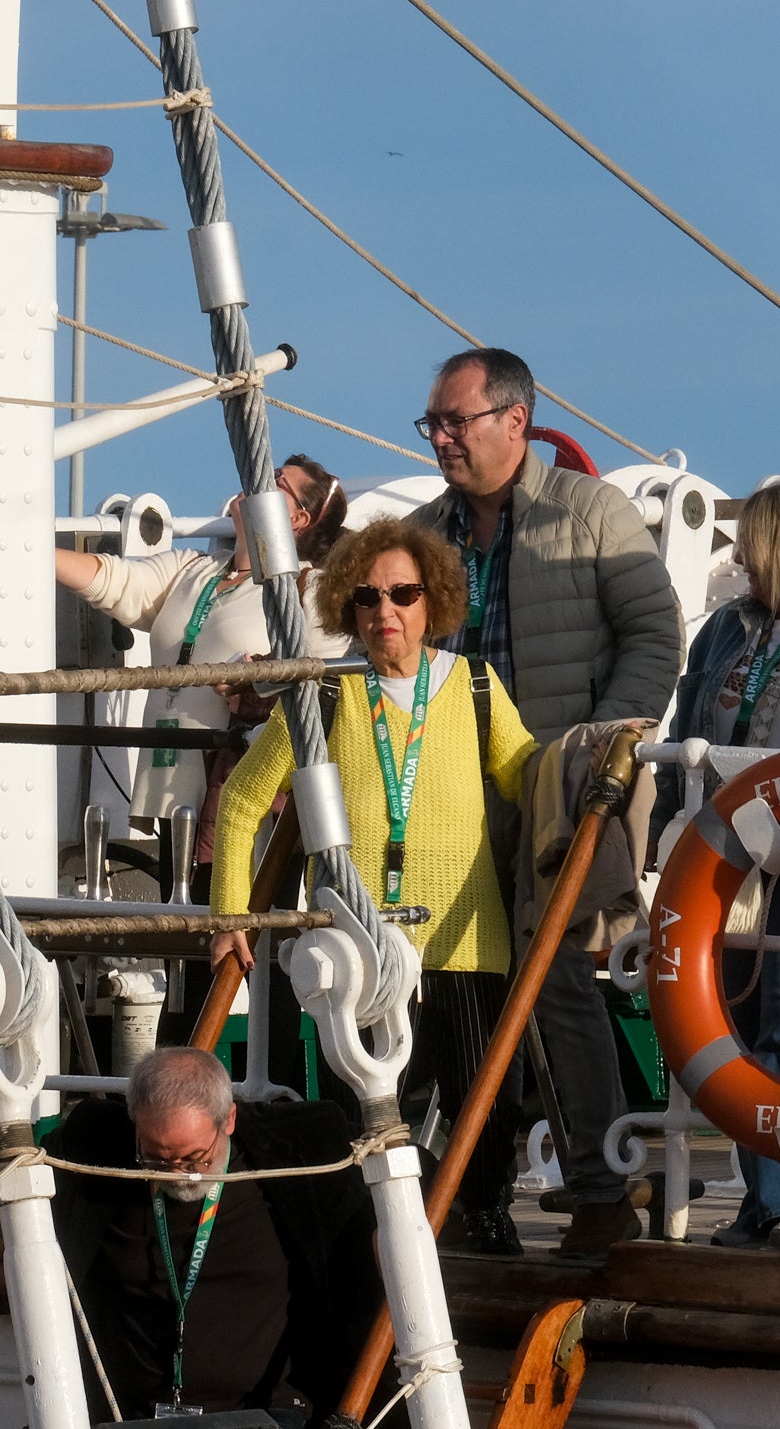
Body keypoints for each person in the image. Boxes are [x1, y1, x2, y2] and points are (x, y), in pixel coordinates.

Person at [408, 347, 681, 1254]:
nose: (442, 438)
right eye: (434, 425)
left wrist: (603, 749)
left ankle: (601, 1194)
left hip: (563, 784)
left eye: (456, 422)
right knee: (450, 984)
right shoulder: (420, 533)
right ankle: (469, 1198)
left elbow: (653, 636)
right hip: (450, 793)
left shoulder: (590, 513)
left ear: (515, 422)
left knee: (556, 977)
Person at [208, 517, 541, 1252]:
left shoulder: (476, 687)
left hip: (464, 931)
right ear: (346, 609)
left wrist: (596, 759)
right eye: (365, 597)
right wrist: (229, 917)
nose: (383, 610)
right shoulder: (323, 692)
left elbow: (529, 774)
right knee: (363, 1099)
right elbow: (239, 802)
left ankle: (485, 1214)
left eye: (403, 593)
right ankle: (371, 1231)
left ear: (434, 601)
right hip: (356, 942)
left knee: (483, 1095)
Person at [659, 476, 780, 1246]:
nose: (739, 556)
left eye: (753, 543)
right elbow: (688, 729)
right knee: (731, 1030)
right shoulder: (724, 632)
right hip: (725, 849)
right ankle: (760, 1201)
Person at [53, 1045, 377, 1428]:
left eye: (195, 1159)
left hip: (267, 1415)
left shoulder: (295, 1160)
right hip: (131, 1417)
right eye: (155, 1157)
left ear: (230, 1120)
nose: (176, 1174)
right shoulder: (94, 1153)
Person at [52, 455, 350, 831]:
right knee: (173, 887)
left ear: (297, 519)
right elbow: (116, 579)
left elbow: (323, 690)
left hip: (237, 790)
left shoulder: (310, 589)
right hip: (167, 782)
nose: (257, 478)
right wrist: (29, 551)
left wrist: (252, 686)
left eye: (276, 479)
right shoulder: (191, 569)